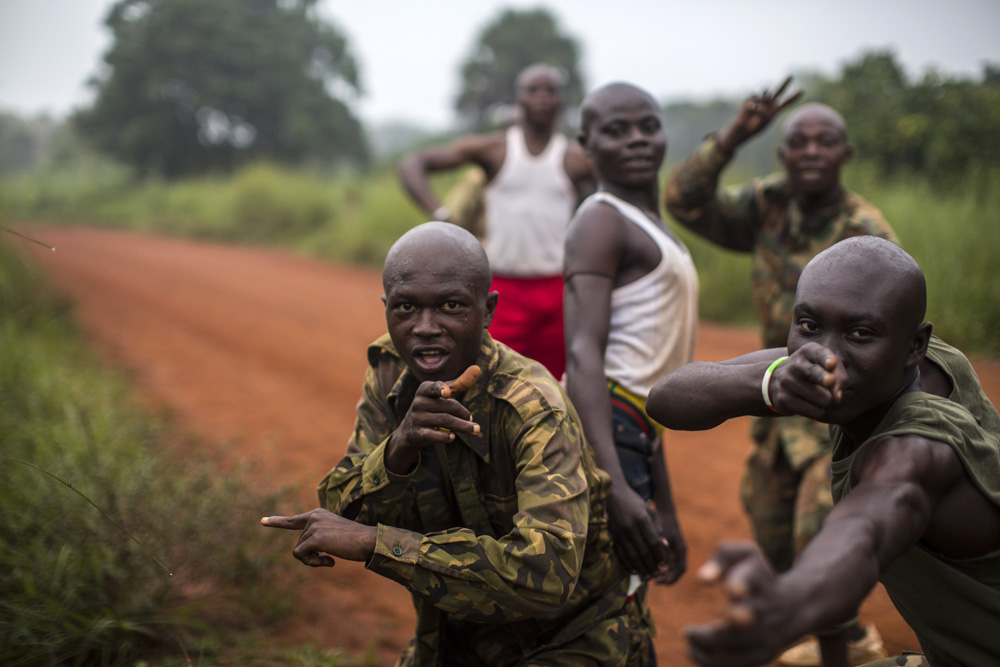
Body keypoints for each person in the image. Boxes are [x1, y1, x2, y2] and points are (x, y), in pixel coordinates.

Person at [262, 222, 653, 666]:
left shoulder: (532, 406)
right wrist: (400, 446)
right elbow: (341, 509)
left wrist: (377, 543)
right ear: (387, 307)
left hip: (571, 638)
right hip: (455, 634)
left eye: (450, 305)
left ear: (487, 311)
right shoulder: (392, 372)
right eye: (406, 307)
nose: (425, 328)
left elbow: (545, 575)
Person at [646, 237, 1000, 667]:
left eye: (860, 333)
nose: (827, 357)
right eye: (810, 325)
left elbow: (864, 534)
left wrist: (788, 604)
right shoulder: (892, 367)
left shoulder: (918, 448)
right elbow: (666, 398)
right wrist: (771, 383)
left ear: (915, 345)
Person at [663, 77, 896, 666]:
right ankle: (837, 641)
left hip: (836, 404)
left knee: (817, 525)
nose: (812, 151)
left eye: (826, 142)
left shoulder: (865, 230)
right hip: (773, 391)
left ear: (845, 155)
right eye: (799, 142)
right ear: (783, 153)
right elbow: (684, 201)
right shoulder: (766, 204)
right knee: (767, 517)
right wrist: (736, 134)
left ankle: (841, 648)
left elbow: (896, 331)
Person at [563, 82, 696, 617]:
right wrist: (612, 484)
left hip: (635, 427)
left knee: (628, 598)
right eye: (616, 131)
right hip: (609, 429)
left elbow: (651, 388)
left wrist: (665, 506)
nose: (638, 140)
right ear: (587, 144)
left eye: (649, 125)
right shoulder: (600, 219)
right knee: (608, 606)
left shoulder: (647, 223)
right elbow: (582, 353)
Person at [397, 63, 595, 380]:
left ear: (562, 100)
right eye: (534, 90)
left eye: (551, 91)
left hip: (556, 290)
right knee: (491, 378)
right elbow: (413, 164)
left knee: (553, 381)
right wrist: (442, 217)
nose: (543, 98)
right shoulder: (495, 150)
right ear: (519, 99)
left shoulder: (574, 159)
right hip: (502, 289)